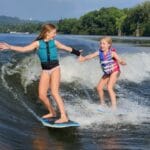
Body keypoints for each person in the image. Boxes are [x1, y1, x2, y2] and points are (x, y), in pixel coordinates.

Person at [0, 23, 81, 123]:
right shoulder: (37, 43)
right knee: (42, 95)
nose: (55, 34)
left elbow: (66, 48)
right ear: (47, 33)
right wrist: (10, 47)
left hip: (55, 69)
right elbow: (24, 49)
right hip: (45, 71)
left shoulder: (55, 42)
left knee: (54, 92)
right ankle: (52, 112)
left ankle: (63, 116)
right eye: (54, 33)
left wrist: (78, 53)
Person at [79, 36, 126, 110]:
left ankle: (114, 107)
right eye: (100, 43)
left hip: (115, 71)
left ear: (109, 45)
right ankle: (102, 104)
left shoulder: (112, 53)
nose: (101, 45)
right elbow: (91, 56)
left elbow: (119, 59)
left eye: (104, 44)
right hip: (107, 72)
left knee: (109, 87)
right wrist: (83, 58)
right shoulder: (99, 52)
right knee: (99, 88)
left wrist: (122, 62)